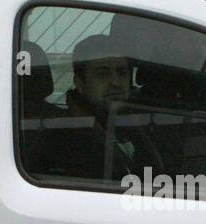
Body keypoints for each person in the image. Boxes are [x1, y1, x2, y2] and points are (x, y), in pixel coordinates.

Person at [40, 34, 161, 182]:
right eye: (103, 74)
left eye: (122, 73)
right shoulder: (64, 142)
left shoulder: (148, 122)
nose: (115, 82)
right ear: (80, 83)